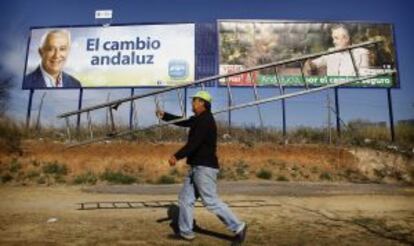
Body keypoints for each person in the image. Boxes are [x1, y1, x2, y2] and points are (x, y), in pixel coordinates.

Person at [156, 91, 247, 244]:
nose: (192, 103)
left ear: (202, 103)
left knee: (210, 201)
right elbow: (184, 121)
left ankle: (239, 227)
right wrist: (165, 115)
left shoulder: (206, 121)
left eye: (195, 101)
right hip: (196, 167)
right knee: (185, 199)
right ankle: (186, 232)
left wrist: (177, 156)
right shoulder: (199, 119)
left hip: (204, 168)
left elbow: (194, 143)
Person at [305, 24, 370, 76]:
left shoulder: (362, 53)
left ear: (346, 39)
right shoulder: (331, 52)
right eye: (333, 39)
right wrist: (309, 64)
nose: (334, 42)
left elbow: (364, 77)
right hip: (332, 89)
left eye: (336, 38)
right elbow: (313, 64)